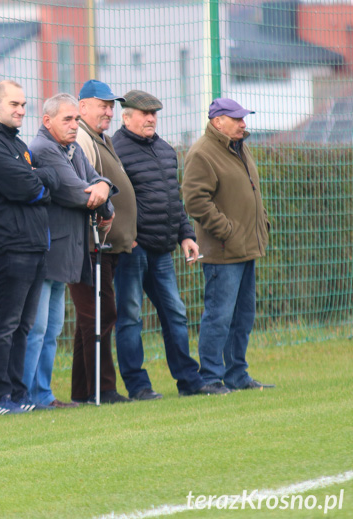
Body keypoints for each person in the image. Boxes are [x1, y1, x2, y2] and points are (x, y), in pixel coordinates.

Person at [112, 90, 229, 399]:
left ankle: (189, 382)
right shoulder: (115, 151)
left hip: (163, 248)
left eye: (154, 113)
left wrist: (186, 235)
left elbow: (173, 200)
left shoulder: (165, 150)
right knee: (130, 317)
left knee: (175, 314)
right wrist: (126, 234)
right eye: (144, 114)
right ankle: (138, 387)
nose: (151, 118)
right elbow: (113, 200)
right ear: (126, 117)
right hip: (131, 249)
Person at [26, 93, 114, 409]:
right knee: (37, 329)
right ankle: (29, 395)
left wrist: (103, 193)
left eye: (76, 119)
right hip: (47, 250)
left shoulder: (72, 149)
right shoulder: (43, 150)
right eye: (67, 119)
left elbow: (98, 181)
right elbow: (76, 192)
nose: (74, 125)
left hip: (65, 253)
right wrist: (102, 194)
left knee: (52, 329)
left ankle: (43, 394)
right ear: (47, 121)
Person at [183, 98, 273, 391]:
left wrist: (262, 223)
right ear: (217, 121)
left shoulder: (239, 147)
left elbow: (250, 193)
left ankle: (237, 375)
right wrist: (227, 231)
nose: (243, 123)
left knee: (243, 317)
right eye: (236, 118)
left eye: (244, 118)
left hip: (247, 247)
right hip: (223, 250)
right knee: (219, 316)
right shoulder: (202, 153)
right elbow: (196, 200)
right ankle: (210, 377)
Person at [0, 80, 58, 415]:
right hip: (10, 247)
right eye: (14, 104)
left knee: (23, 326)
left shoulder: (17, 143)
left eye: (24, 105)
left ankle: (18, 394)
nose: (21, 111)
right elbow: (29, 188)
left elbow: (41, 182)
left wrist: (40, 181)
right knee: (4, 324)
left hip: (34, 245)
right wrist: (40, 181)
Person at [70, 79, 134, 404]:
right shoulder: (81, 137)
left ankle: (84, 391)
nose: (109, 110)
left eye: (112, 105)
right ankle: (102, 388)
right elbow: (86, 188)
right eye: (102, 104)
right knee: (100, 313)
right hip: (91, 243)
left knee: (94, 316)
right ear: (82, 107)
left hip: (104, 243)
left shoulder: (100, 137)